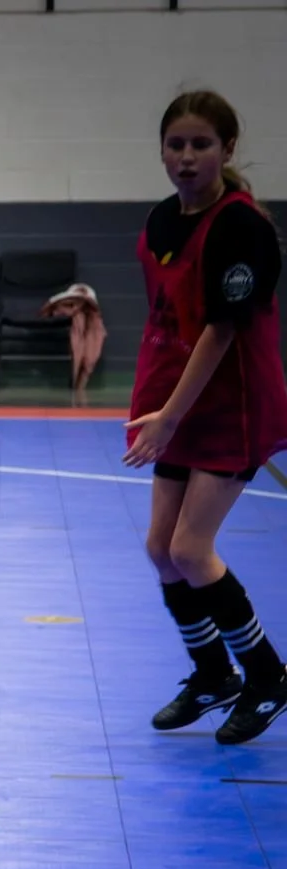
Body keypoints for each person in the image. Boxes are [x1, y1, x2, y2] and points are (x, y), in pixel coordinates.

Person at [124, 90, 287, 743]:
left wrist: (168, 417)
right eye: (176, 145)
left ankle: (269, 677)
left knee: (192, 548)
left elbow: (220, 334)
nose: (187, 157)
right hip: (177, 404)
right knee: (161, 550)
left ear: (227, 150)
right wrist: (158, 408)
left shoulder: (242, 227)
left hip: (231, 407)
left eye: (201, 145)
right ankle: (213, 673)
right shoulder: (162, 222)